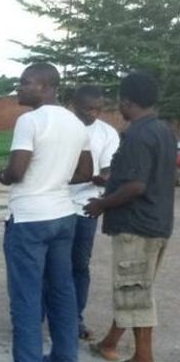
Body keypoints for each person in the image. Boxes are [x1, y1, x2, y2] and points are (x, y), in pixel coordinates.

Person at [0, 63, 93, 362]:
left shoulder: (30, 120)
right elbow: (85, 172)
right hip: (63, 215)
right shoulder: (77, 123)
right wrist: (55, 179)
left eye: (26, 82)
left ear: (47, 87)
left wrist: (3, 175)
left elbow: (16, 171)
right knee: (62, 288)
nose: (19, 87)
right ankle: (66, 357)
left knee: (26, 291)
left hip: (29, 218)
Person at [84, 72, 176, 362]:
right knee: (134, 286)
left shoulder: (137, 135)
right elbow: (146, 175)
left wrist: (101, 204)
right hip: (157, 221)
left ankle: (143, 360)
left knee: (135, 292)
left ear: (126, 101)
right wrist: (109, 182)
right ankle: (110, 342)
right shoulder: (164, 131)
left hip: (137, 225)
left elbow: (136, 186)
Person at [65, 85, 120, 341]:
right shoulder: (60, 126)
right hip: (54, 205)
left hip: (85, 207)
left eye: (98, 109)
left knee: (79, 265)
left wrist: (104, 178)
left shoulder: (107, 133)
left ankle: (75, 319)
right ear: (74, 104)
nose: (94, 114)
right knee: (50, 265)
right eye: (89, 109)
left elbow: (109, 169)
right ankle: (41, 316)